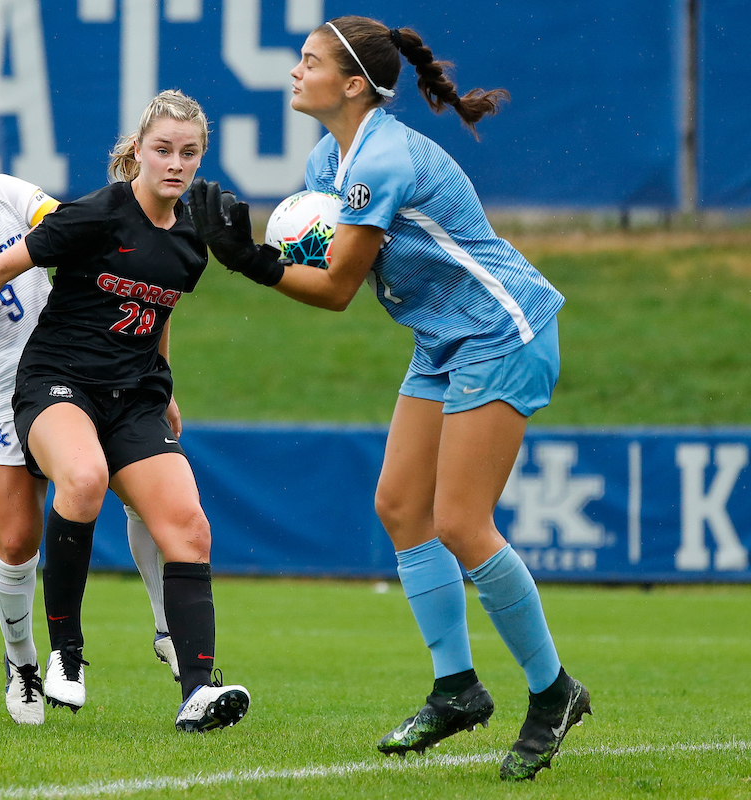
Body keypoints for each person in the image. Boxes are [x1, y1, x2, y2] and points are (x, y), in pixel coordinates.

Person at [188, 16, 589, 779]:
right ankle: (457, 688)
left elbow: (337, 287)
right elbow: (318, 255)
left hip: (502, 331)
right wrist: (260, 254)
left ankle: (553, 691)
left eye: (308, 61)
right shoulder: (326, 161)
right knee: (402, 508)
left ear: (351, 85)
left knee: (462, 523)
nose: (294, 71)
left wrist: (250, 263)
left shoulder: (383, 159)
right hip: (443, 338)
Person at [0, 90, 250, 733]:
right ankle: (62, 655)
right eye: (163, 149)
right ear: (136, 152)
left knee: (190, 527)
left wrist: (165, 384)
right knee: (75, 487)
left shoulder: (194, 237)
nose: (175, 163)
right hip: (54, 381)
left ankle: (197, 690)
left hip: (134, 393)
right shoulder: (98, 213)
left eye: (189, 153)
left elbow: (157, 309)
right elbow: (6, 265)